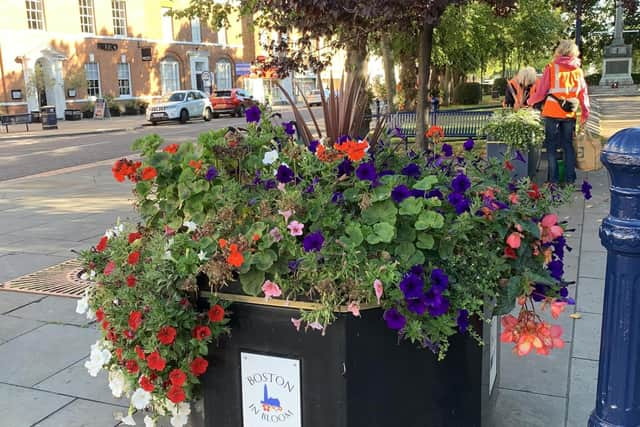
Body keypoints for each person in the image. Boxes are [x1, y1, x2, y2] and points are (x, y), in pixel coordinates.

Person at [527, 40, 590, 185]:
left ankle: (553, 180)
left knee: (551, 146)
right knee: (568, 145)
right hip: (569, 114)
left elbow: (541, 92)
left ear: (559, 51)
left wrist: (529, 103)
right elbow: (583, 94)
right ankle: (569, 179)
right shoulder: (578, 71)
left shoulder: (551, 67)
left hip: (552, 112)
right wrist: (585, 113)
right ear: (574, 52)